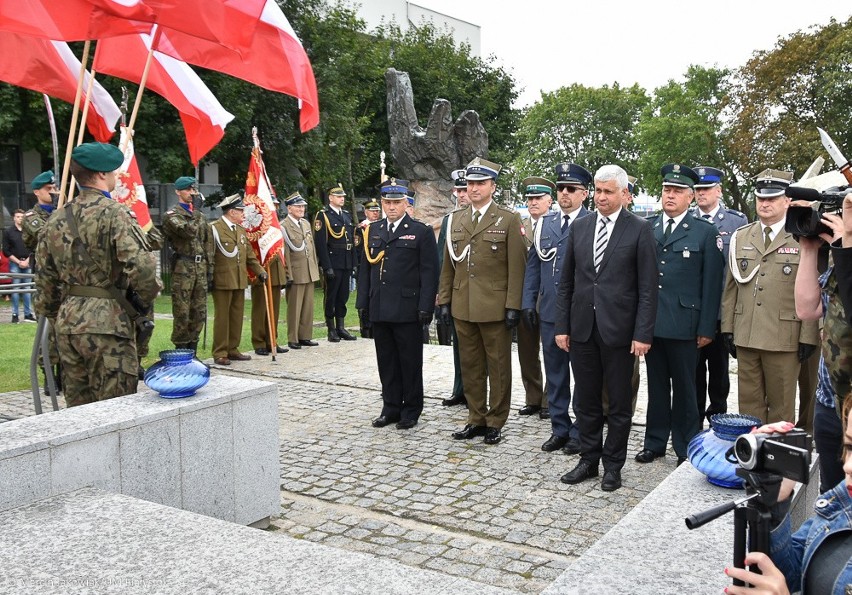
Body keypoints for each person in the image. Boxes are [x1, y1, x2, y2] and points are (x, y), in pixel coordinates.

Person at [555, 164, 658, 491]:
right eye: (597, 191)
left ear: (624, 194)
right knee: (585, 400)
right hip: (583, 329)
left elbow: (647, 288)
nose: (601, 197)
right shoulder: (581, 228)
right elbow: (567, 282)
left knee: (618, 403)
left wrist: (642, 333)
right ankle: (589, 459)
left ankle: (613, 465)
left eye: (608, 191)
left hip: (620, 333)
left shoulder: (639, 229)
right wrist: (562, 326)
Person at [34, 142, 160, 407]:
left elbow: (45, 282)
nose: (115, 177)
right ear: (102, 174)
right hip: (109, 323)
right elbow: (143, 268)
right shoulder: (115, 213)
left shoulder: (56, 219)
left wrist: (57, 315)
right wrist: (143, 300)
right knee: (116, 412)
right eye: (113, 172)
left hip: (68, 325)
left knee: (80, 414)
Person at [637, 164, 724, 467]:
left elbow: (711, 286)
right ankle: (654, 441)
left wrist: (707, 327)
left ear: (690, 197)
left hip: (686, 325)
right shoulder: (647, 228)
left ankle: (686, 446)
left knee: (687, 390)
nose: (670, 195)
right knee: (657, 386)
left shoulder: (705, 233)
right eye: (666, 190)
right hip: (653, 322)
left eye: (677, 191)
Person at [436, 157, 526, 445]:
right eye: (470, 183)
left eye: (480, 183)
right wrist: (446, 301)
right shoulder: (456, 220)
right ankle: (476, 417)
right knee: (471, 365)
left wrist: (513, 306)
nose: (473, 188)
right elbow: (449, 266)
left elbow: (517, 267)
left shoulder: (509, 219)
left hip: (495, 307)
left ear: (493, 187)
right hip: (464, 304)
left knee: (498, 366)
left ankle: (496, 420)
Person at [721, 169, 819, 424]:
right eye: (760, 198)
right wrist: (727, 328)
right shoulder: (742, 236)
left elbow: (814, 289)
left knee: (781, 409)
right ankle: (753, 457)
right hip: (747, 334)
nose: (764, 204)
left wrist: (808, 335)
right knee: (748, 408)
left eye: (772, 198)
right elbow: (731, 287)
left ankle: (777, 460)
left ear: (787, 201)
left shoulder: (804, 235)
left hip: (784, 337)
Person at [723, 399, 852, 594]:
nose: (847, 466)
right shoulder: (843, 502)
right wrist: (773, 500)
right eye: (850, 446)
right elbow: (793, 576)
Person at [357, 179, 438, 429]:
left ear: (406, 203)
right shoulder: (374, 230)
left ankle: (411, 410)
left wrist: (426, 307)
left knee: (410, 362)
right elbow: (365, 272)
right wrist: (363, 305)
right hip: (380, 307)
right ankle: (390, 407)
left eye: (396, 202)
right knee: (387, 361)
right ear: (382, 204)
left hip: (407, 309)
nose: (391, 207)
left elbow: (429, 273)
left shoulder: (421, 231)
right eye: (387, 202)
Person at [522, 163, 591, 454]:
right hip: (550, 311)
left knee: (584, 378)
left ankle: (581, 432)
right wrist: (528, 302)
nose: (564, 193)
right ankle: (560, 428)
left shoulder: (592, 222)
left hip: (582, 314)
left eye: (571, 189)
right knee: (556, 376)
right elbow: (534, 267)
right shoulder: (545, 224)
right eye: (560, 188)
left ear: (584, 194)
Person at [690, 166, 748, 423]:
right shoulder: (688, 219)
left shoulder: (736, 222)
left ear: (719, 191)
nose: (701, 194)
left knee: (719, 370)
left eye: (705, 189)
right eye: (697, 190)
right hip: (692, 309)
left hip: (720, 312)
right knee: (693, 370)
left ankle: (717, 418)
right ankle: (692, 418)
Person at [209, 193, 266, 365]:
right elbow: (209, 255)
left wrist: (260, 271)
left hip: (239, 279)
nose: (243, 214)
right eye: (241, 211)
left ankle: (232, 349)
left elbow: (249, 256)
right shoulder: (214, 228)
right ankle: (220, 352)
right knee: (222, 317)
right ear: (232, 211)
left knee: (236, 316)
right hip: (222, 280)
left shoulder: (240, 230)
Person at [21, 171, 62, 391]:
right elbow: (47, 235)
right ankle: (48, 374)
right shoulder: (30, 217)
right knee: (47, 329)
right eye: (48, 189)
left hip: (65, 277)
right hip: (47, 280)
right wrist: (60, 214)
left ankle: (64, 373)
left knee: (65, 328)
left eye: (55, 188)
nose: (53, 192)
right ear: (37, 192)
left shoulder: (62, 212)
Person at [162, 176, 212, 352]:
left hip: (200, 267)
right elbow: (188, 232)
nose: (192, 193)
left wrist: (210, 269)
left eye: (193, 190)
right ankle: (181, 350)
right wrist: (196, 211)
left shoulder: (201, 216)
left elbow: (207, 242)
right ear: (178, 192)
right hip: (183, 268)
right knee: (183, 312)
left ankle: (193, 350)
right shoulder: (171, 216)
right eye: (187, 190)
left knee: (199, 312)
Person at [516, 176, 549, 419]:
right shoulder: (519, 226)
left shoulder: (557, 225)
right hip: (524, 297)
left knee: (551, 352)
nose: (533, 202)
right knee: (527, 352)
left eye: (538, 198)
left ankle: (550, 401)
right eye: (530, 199)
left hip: (548, 297)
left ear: (550, 200)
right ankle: (533, 397)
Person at [436, 169, 469, 407]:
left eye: (465, 189)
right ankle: (460, 388)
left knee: (479, 349)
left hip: (480, 295)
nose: (462, 195)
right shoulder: (449, 221)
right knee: (458, 345)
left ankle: (477, 392)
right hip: (457, 293)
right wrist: (442, 295)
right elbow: (442, 260)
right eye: (458, 190)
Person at [313, 184, 357, 342]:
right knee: (331, 296)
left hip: (345, 261)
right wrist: (327, 266)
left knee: (343, 296)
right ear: (331, 198)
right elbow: (321, 243)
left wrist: (353, 263)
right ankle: (331, 328)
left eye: (343, 196)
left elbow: (350, 240)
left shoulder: (345, 215)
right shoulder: (323, 215)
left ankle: (341, 327)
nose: (342, 199)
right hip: (333, 261)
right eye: (339, 196)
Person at [249, 195, 288, 356]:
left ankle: (272, 340)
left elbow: (281, 252)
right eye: (273, 205)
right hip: (262, 271)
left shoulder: (275, 225)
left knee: (274, 310)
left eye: (277, 205)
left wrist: (284, 274)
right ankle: (259, 342)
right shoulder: (258, 226)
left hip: (276, 272)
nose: (276, 208)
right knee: (260, 309)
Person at [282, 192, 320, 350]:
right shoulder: (283, 226)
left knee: (307, 307)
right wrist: (288, 274)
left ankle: (305, 336)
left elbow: (311, 248)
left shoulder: (305, 223)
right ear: (289, 208)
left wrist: (315, 268)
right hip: (296, 272)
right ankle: (293, 338)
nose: (301, 208)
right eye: (298, 206)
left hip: (309, 270)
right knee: (295, 308)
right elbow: (285, 253)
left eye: (303, 206)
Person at [3, 209, 34, 323]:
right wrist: (18, 262)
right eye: (18, 216)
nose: (20, 218)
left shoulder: (29, 231)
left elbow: (33, 247)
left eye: (22, 216)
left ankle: (28, 314)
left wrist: (27, 260)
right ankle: (15, 315)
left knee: (27, 289)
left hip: (28, 262)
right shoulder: (8, 232)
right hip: (15, 263)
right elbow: (6, 250)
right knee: (15, 289)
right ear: (14, 218)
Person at [357, 198, 382, 339]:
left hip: (377, 267)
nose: (375, 213)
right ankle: (365, 328)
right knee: (364, 298)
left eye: (377, 211)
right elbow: (359, 249)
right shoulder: (362, 228)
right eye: (372, 211)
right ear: (366, 212)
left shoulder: (380, 227)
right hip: (364, 267)